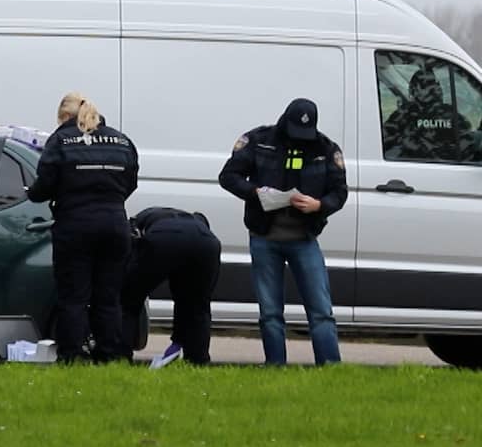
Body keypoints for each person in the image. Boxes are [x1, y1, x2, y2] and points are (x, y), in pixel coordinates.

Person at [218, 97, 348, 366]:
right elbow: (228, 176)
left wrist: (319, 205)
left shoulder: (325, 148)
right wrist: (255, 192)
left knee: (321, 310)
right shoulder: (259, 140)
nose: (299, 138)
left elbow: (340, 192)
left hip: (304, 239)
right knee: (270, 312)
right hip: (265, 237)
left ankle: (331, 367)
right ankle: (275, 366)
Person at [26, 93, 139, 363]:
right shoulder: (121, 140)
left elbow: (45, 184)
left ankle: (72, 355)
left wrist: (33, 193)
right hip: (114, 224)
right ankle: (108, 355)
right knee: (108, 297)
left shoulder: (61, 140)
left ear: (65, 116)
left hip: (75, 226)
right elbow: (131, 182)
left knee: (74, 297)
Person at [120, 207, 221, 366]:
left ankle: (120, 357)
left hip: (163, 238)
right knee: (198, 307)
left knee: (129, 300)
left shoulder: (143, 217)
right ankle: (198, 361)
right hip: (207, 243)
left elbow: (128, 248)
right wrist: (178, 340)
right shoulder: (198, 224)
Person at [382, 68, 473, 162]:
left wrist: (421, 147)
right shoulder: (404, 113)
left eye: (433, 84)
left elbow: (466, 149)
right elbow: (383, 142)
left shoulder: (449, 115)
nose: (434, 88)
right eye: (425, 85)